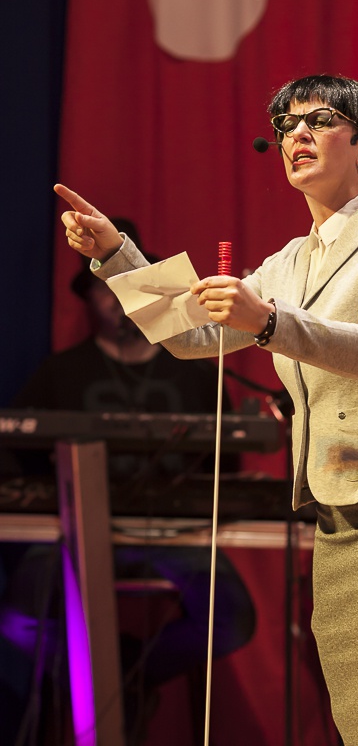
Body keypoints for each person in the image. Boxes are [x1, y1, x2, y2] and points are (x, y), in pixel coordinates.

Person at [54, 74, 358, 746]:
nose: (296, 134)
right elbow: (194, 335)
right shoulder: (291, 261)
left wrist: (269, 322)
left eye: (319, 119)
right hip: (340, 500)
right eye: (286, 125)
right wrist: (115, 254)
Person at [0, 222, 255, 746]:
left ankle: (119, 678)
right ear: (90, 298)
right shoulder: (60, 372)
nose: (117, 304)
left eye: (126, 291)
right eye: (105, 291)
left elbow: (227, 465)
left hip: (177, 536)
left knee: (232, 618)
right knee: (17, 620)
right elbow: (15, 452)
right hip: (76, 531)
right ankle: (113, 681)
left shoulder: (196, 370)